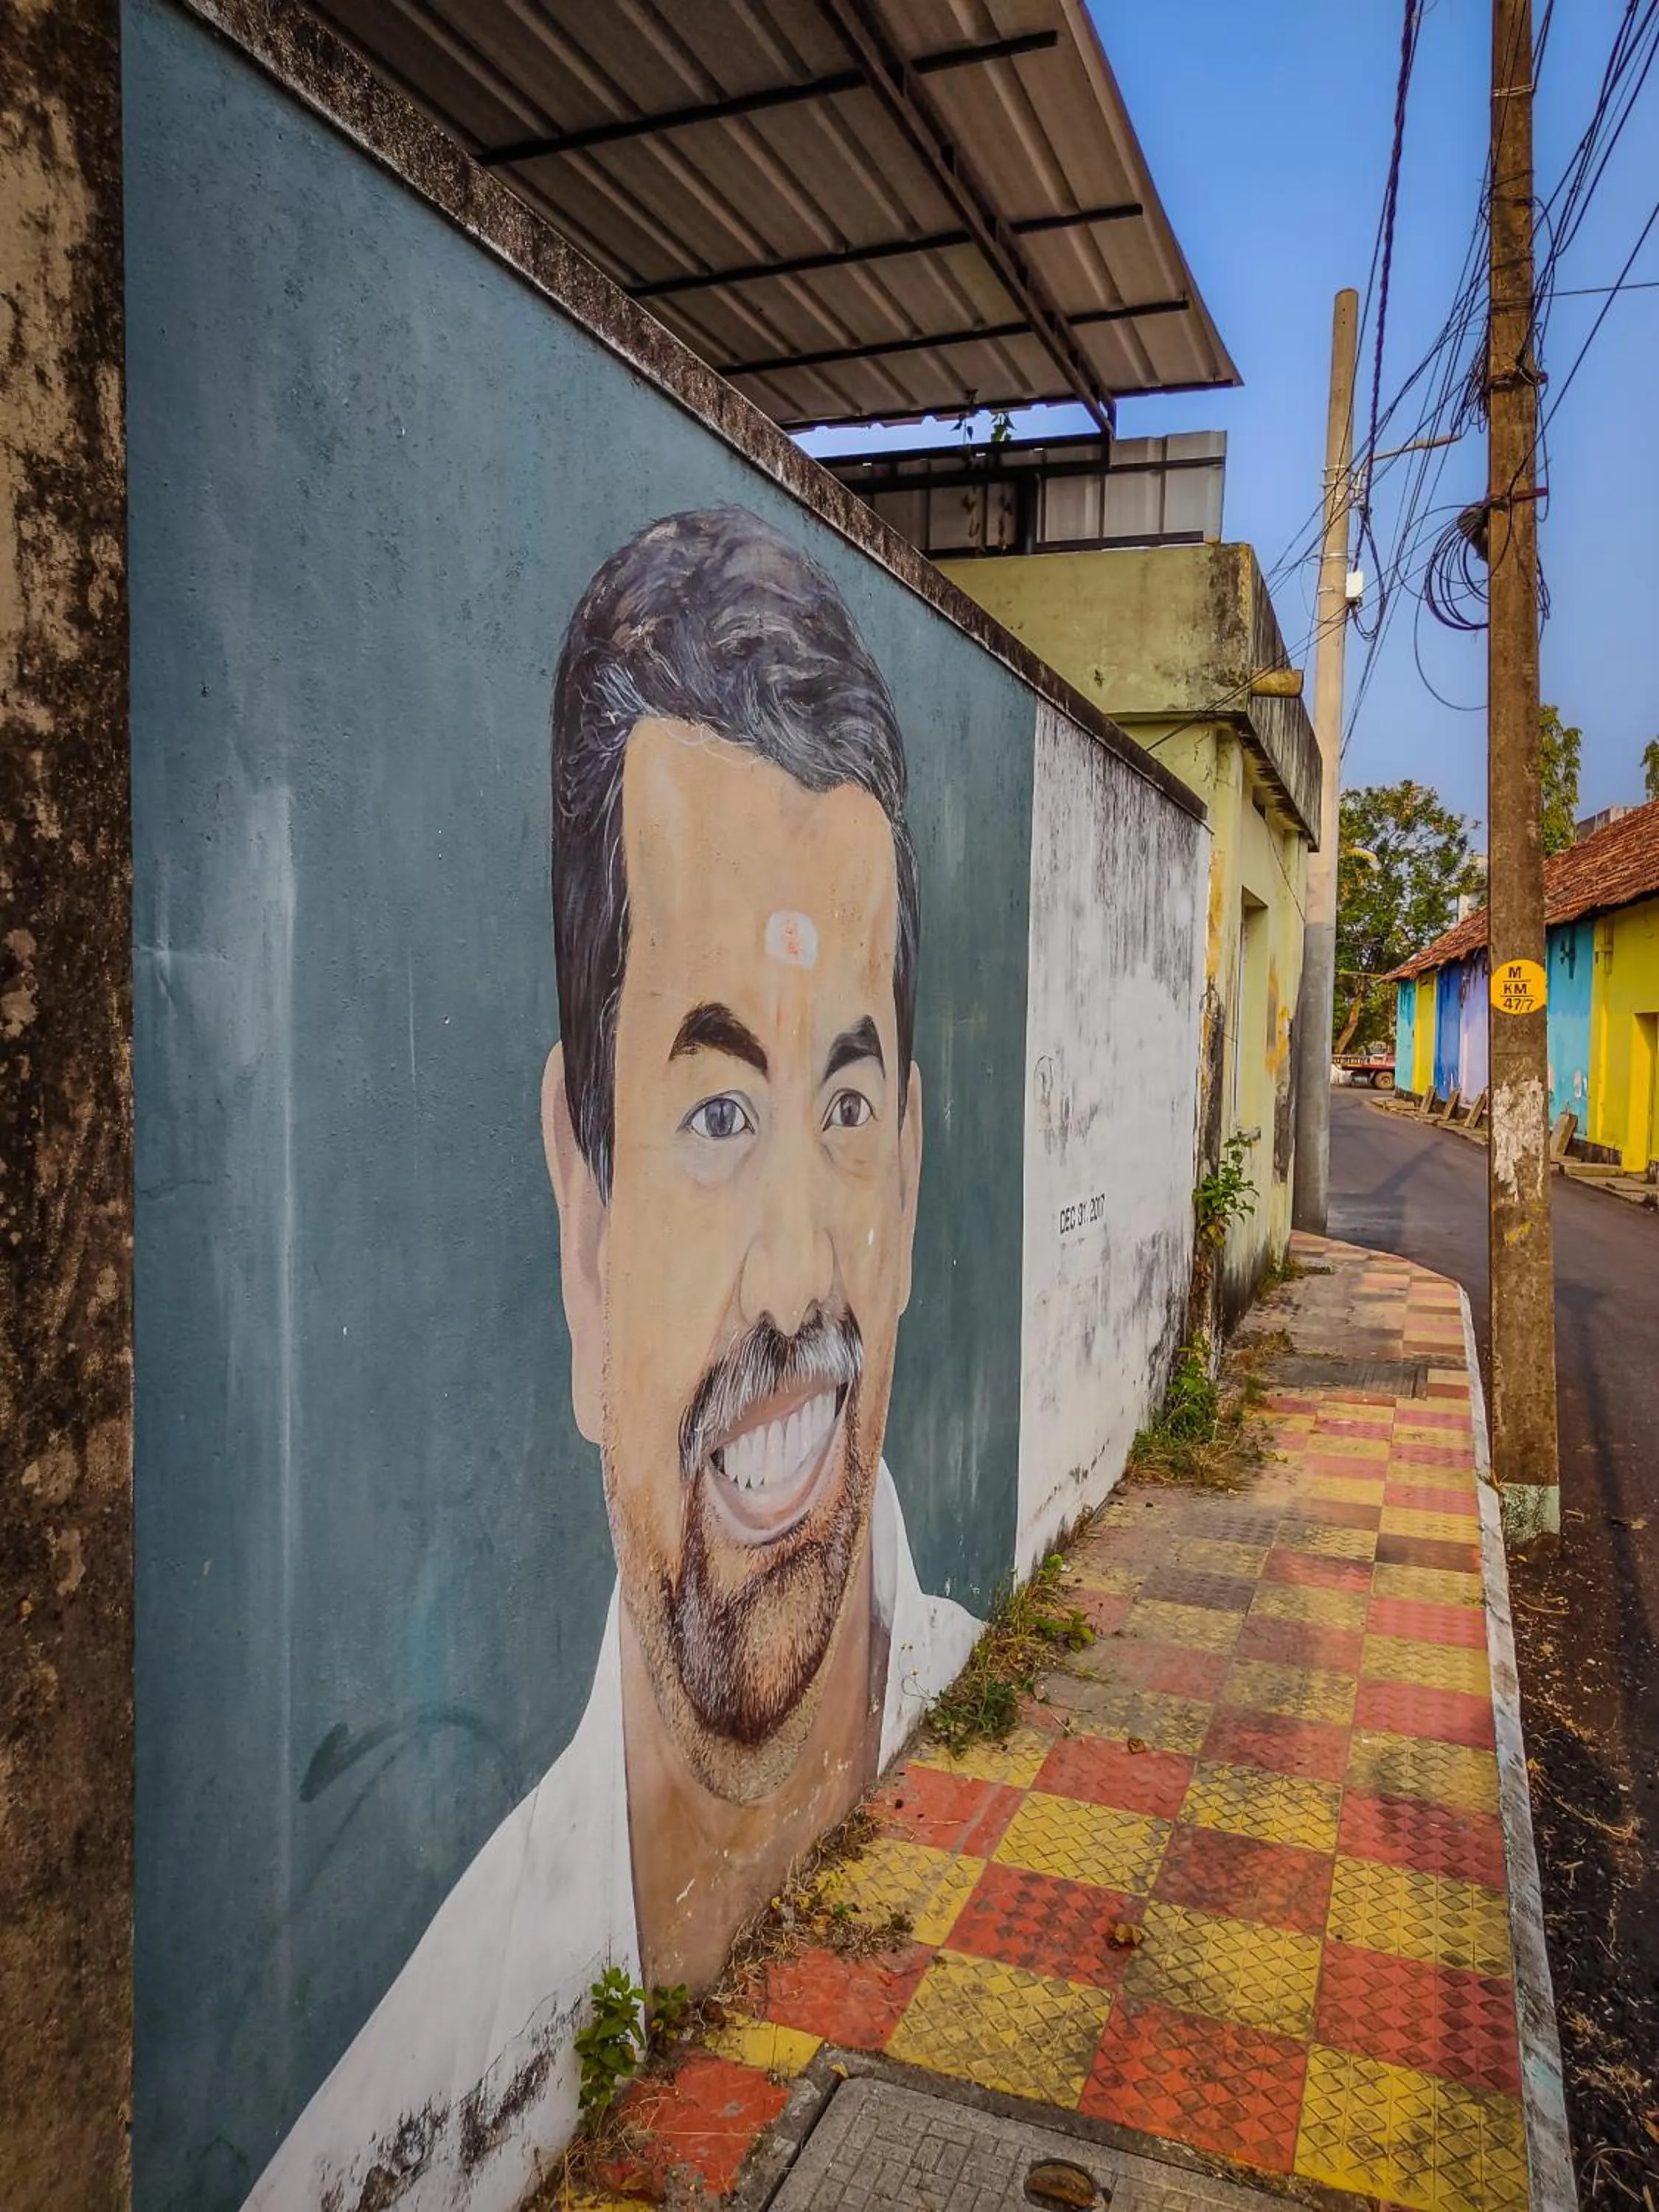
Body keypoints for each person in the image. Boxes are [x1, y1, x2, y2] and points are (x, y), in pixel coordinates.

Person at [248, 507, 978, 2211]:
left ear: (907, 1191)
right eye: (716, 1113)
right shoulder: (400, 2137)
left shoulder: (986, 1718)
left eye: (846, 1105)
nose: (799, 1272)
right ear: (585, 1231)